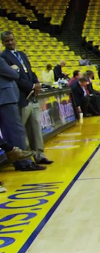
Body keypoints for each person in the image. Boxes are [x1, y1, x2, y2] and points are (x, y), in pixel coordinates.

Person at [1, 31, 52, 165]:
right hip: (20, 97)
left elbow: (29, 71)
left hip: (32, 97)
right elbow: (14, 77)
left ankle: (39, 155)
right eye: (7, 41)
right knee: (19, 131)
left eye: (11, 39)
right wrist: (30, 86)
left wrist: (37, 83)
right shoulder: (3, 56)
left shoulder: (22, 54)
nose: (10, 42)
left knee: (35, 127)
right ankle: (23, 159)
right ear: (3, 43)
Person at [0, 56, 44, 171]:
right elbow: (14, 75)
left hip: (4, 98)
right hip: (6, 98)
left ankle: (17, 161)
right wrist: (14, 68)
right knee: (16, 130)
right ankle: (24, 162)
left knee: (8, 132)